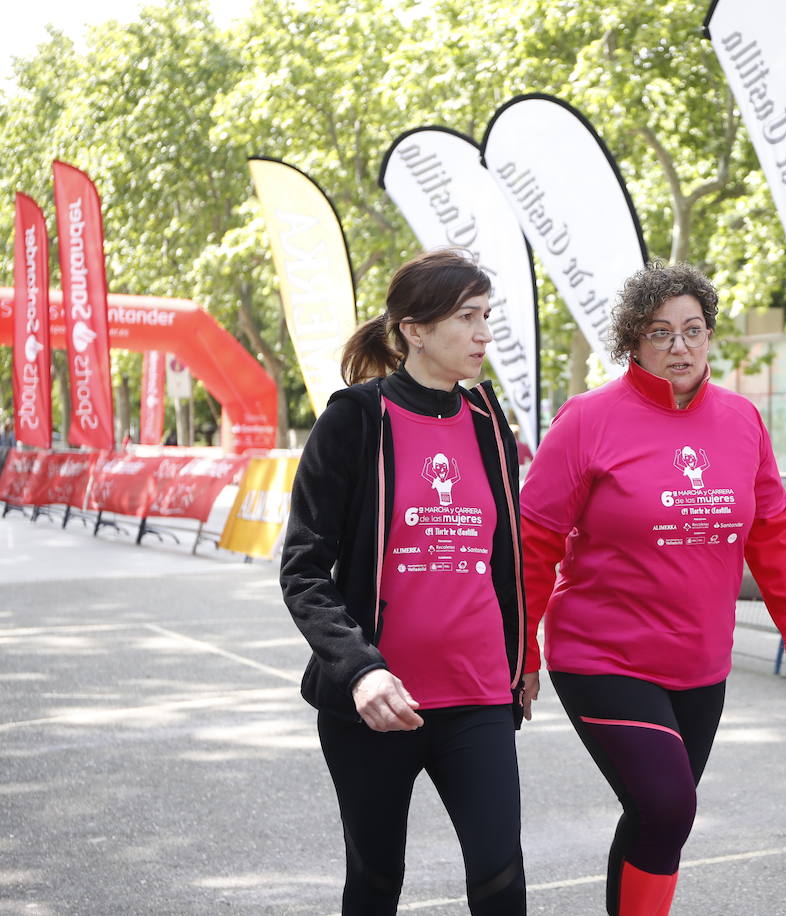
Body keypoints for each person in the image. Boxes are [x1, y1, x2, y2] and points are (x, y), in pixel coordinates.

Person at [519, 260, 786, 916]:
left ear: (711, 337)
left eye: (694, 330)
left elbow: (772, 531)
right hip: (602, 656)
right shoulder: (587, 421)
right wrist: (520, 650)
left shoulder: (742, 421)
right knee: (667, 804)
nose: (680, 347)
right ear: (632, 343)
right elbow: (534, 542)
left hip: (699, 663)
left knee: (660, 820)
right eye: (661, 334)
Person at [279, 248, 533, 916]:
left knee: (502, 880)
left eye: (487, 316)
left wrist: (520, 661)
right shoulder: (355, 420)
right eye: (467, 317)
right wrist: (361, 669)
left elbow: (505, 557)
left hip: (476, 693)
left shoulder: (487, 422)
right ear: (414, 329)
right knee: (375, 883)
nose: (484, 334)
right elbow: (304, 569)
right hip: (376, 706)